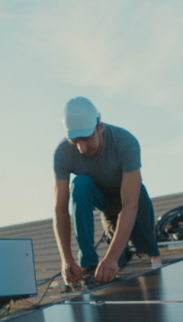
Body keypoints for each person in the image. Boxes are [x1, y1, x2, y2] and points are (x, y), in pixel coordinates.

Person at [53, 97, 162, 285]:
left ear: (100, 127)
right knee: (79, 183)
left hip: (129, 200)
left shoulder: (125, 142)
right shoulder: (63, 153)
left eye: (86, 138)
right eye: (75, 141)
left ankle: (149, 252)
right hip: (102, 201)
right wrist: (66, 259)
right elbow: (60, 209)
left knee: (131, 255)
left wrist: (111, 257)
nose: (81, 148)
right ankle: (87, 263)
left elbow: (130, 204)